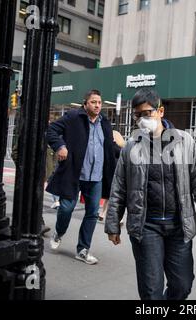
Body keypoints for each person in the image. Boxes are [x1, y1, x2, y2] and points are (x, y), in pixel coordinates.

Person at [105, 88, 196, 300]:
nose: (142, 119)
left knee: (182, 285)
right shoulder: (131, 147)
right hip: (146, 227)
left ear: (160, 111)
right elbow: (119, 187)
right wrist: (113, 224)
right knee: (151, 290)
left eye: (146, 113)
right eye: (137, 115)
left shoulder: (185, 141)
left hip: (179, 228)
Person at [46, 89, 118, 265]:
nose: (97, 105)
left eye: (100, 102)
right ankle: (59, 232)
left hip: (96, 177)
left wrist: (127, 152)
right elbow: (51, 131)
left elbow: (110, 147)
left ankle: (83, 249)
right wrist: (60, 146)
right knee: (66, 208)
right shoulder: (73, 117)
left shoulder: (105, 123)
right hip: (75, 173)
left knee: (92, 213)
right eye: (93, 102)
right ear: (85, 104)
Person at [98, 129, 126, 222]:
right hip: (116, 174)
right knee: (115, 197)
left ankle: (103, 213)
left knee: (109, 197)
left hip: (109, 174)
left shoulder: (106, 146)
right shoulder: (115, 147)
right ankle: (118, 218)